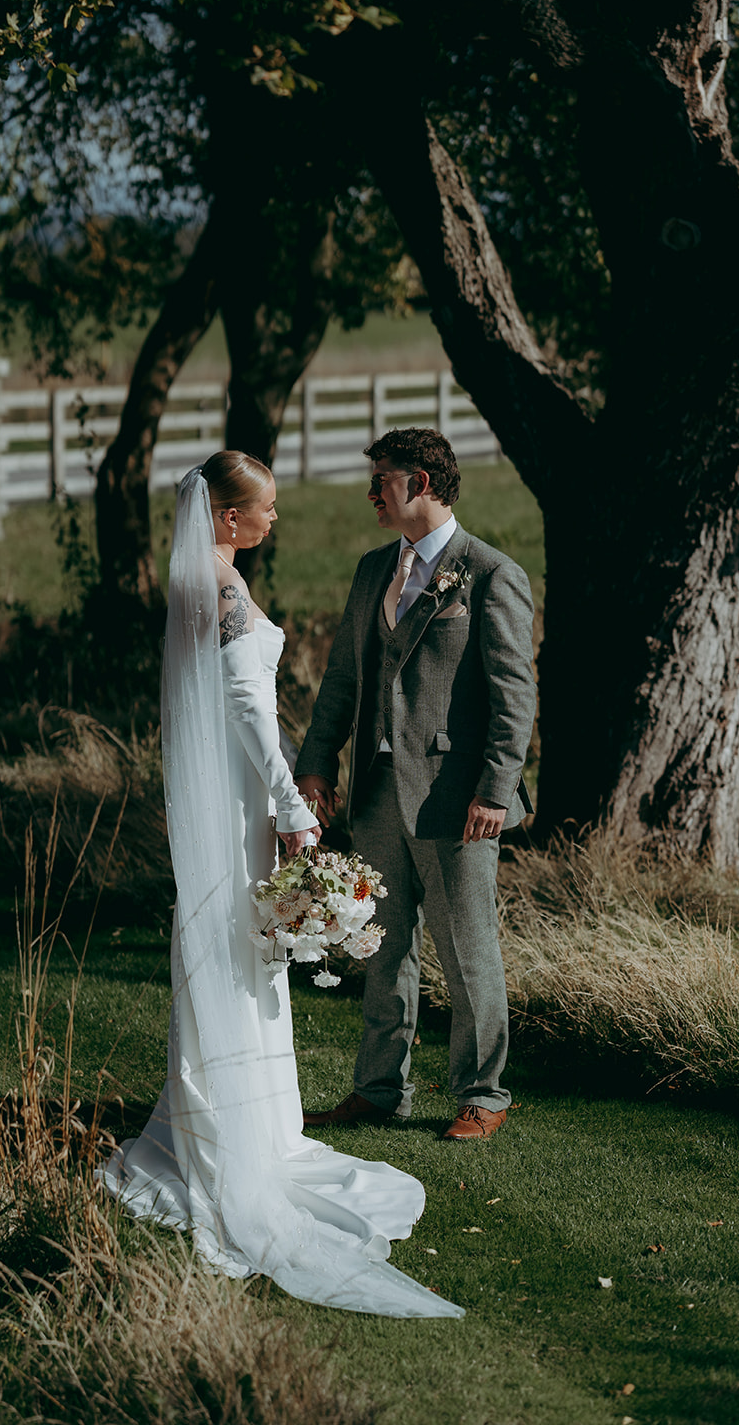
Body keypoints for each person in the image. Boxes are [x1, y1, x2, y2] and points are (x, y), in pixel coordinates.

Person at [99, 450, 462, 1318]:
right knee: (238, 949)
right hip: (241, 798)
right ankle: (236, 1133)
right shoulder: (221, 592)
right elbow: (247, 712)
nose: (275, 521)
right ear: (227, 518)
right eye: (264, 510)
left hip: (228, 799)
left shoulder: (209, 581)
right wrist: (290, 804)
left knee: (238, 949)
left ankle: (229, 1118)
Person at [296, 428, 535, 1141]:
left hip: (456, 799)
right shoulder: (373, 570)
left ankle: (483, 1095)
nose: (372, 494)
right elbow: (342, 678)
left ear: (421, 483)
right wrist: (314, 763)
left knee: (468, 952)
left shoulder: (490, 574)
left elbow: (512, 695)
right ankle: (376, 1090)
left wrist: (495, 789)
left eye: (382, 481)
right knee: (380, 950)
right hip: (373, 794)